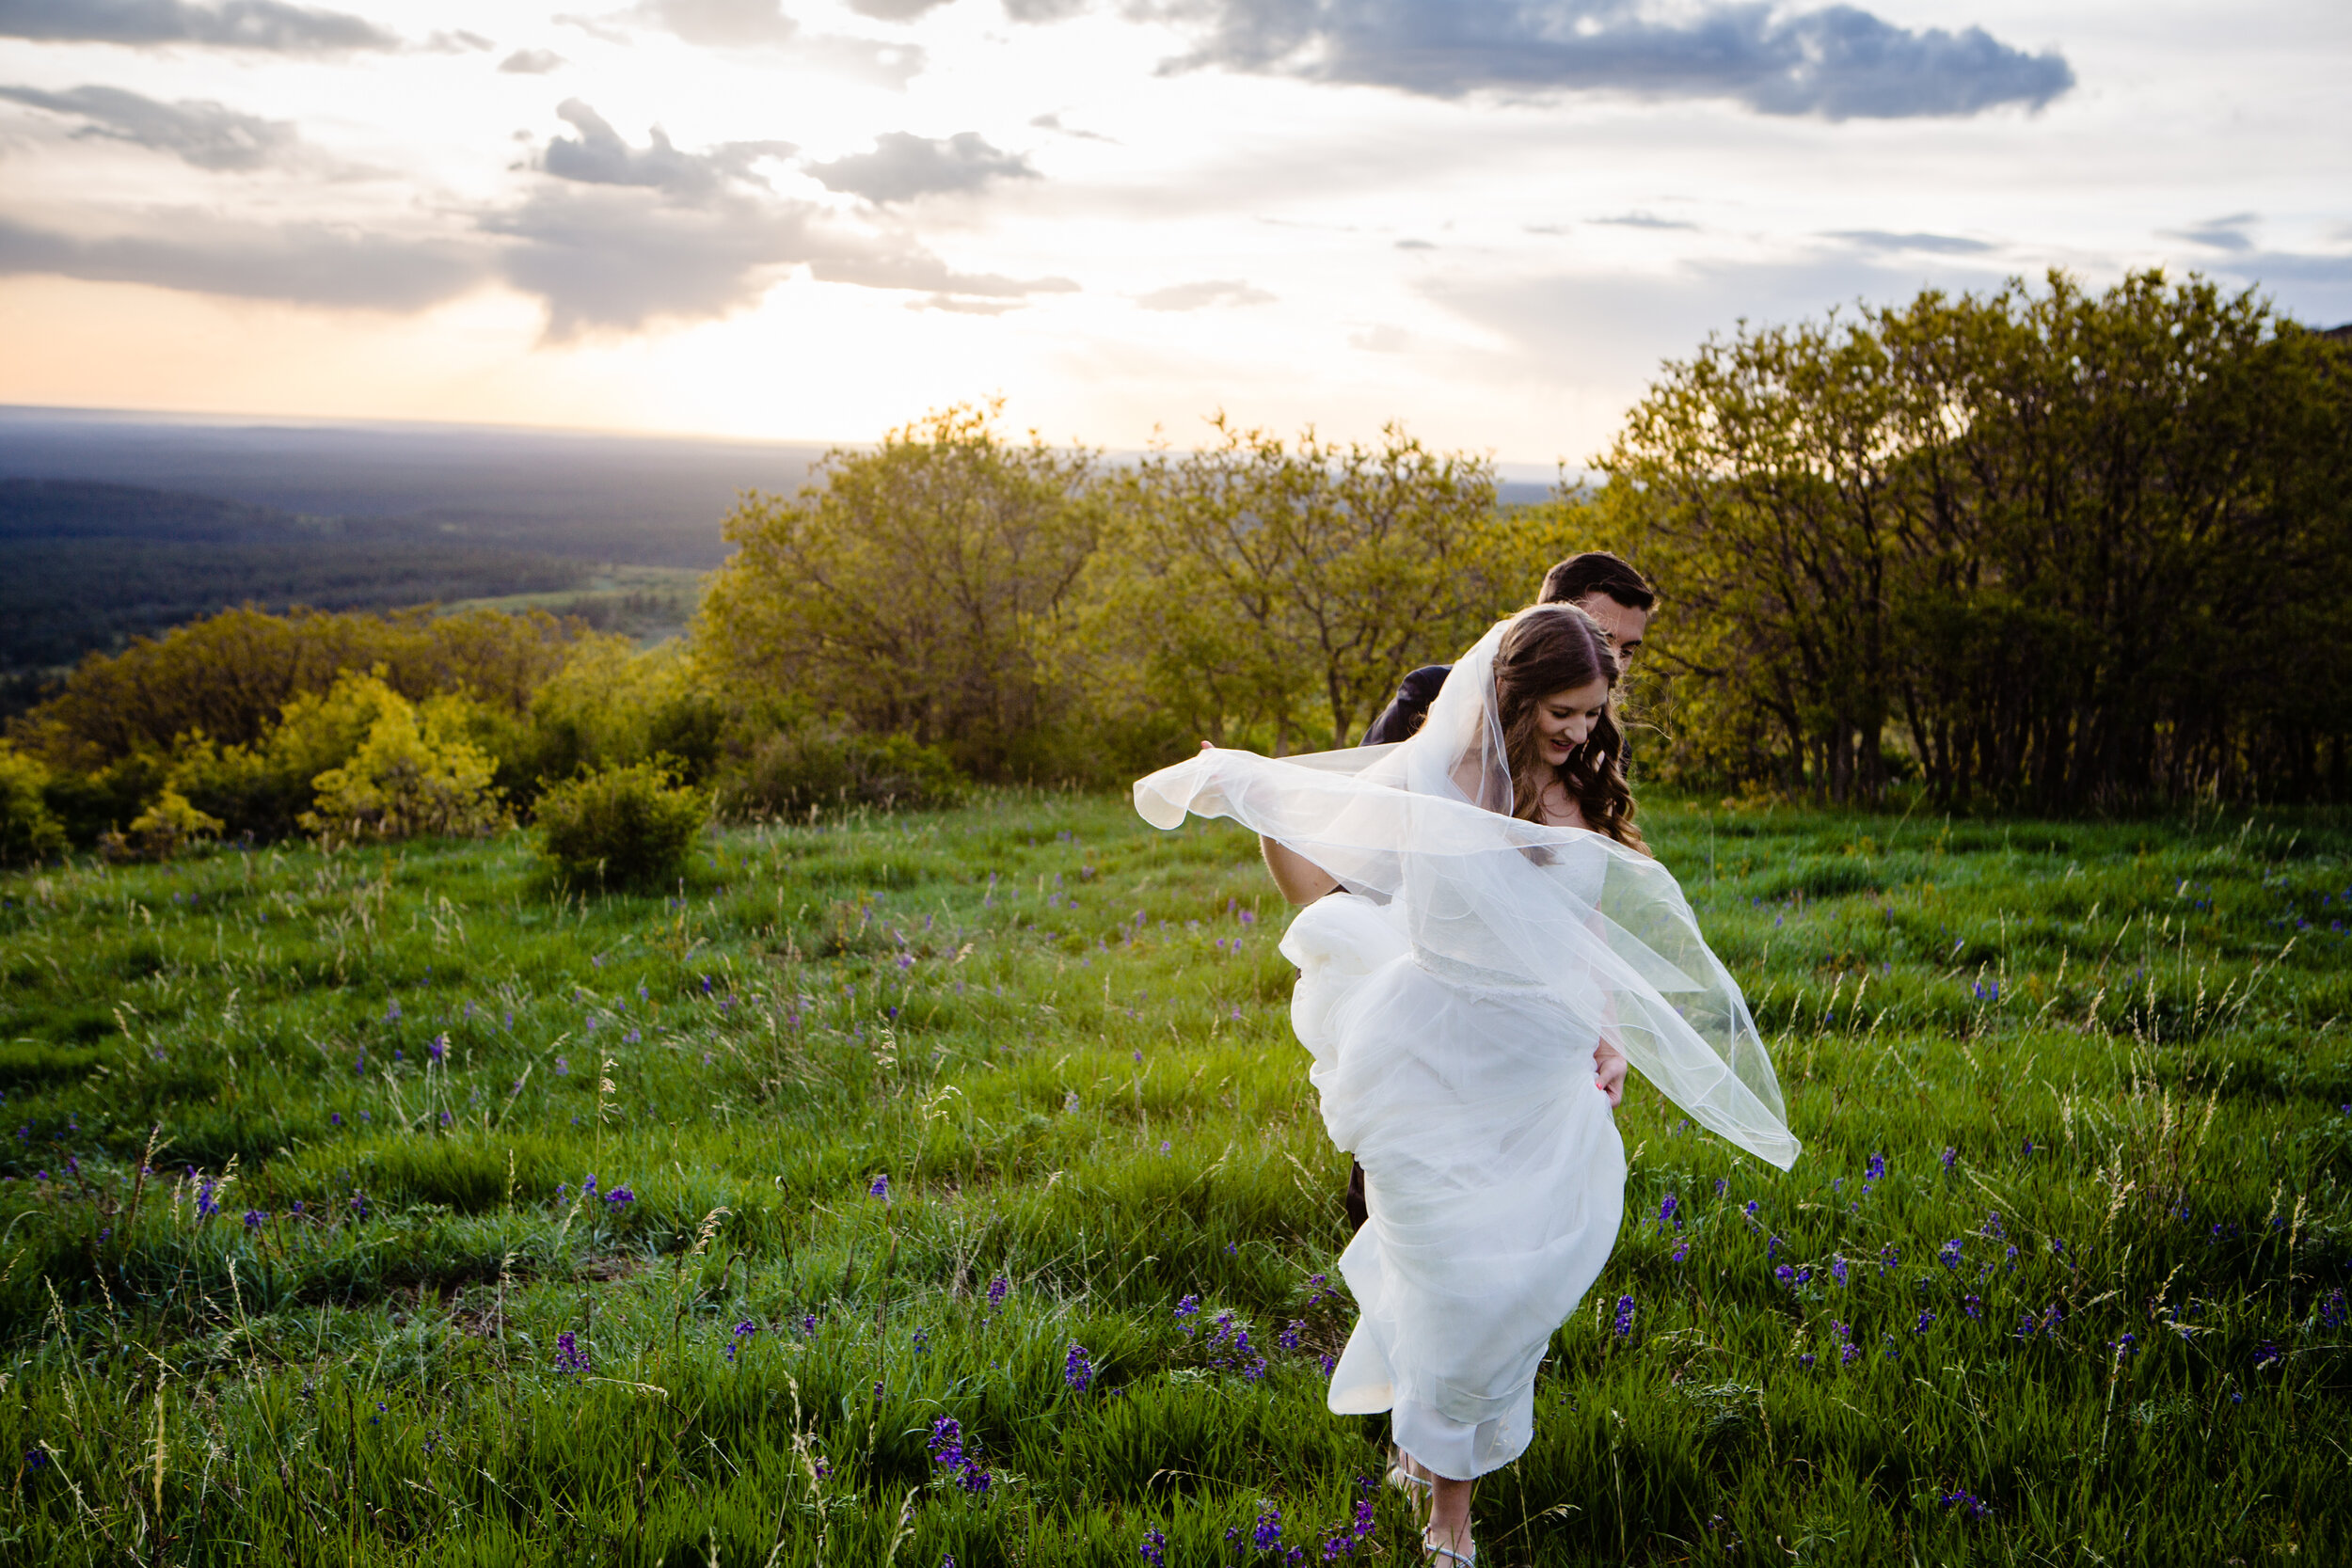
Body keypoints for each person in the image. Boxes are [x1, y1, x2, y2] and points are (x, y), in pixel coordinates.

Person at [1134, 604, 1796, 1565]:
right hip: (1430, 1060)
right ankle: (1451, 1513)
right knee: (1453, 1276)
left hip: (1541, 1070)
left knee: (1510, 1284)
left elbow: (1585, 918)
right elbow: (1315, 882)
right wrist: (1254, 799)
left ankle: (1430, 1429)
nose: (1578, 729)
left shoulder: (1584, 783)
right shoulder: (1430, 780)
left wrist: (1607, 1028)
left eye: (1592, 710)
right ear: (1514, 693)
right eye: (1562, 710)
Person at [1362, 551, 1655, 747]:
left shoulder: (1607, 746)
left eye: (1627, 651)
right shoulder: (1430, 693)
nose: (1615, 665)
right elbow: (1360, 801)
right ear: (1546, 623)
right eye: (1599, 639)